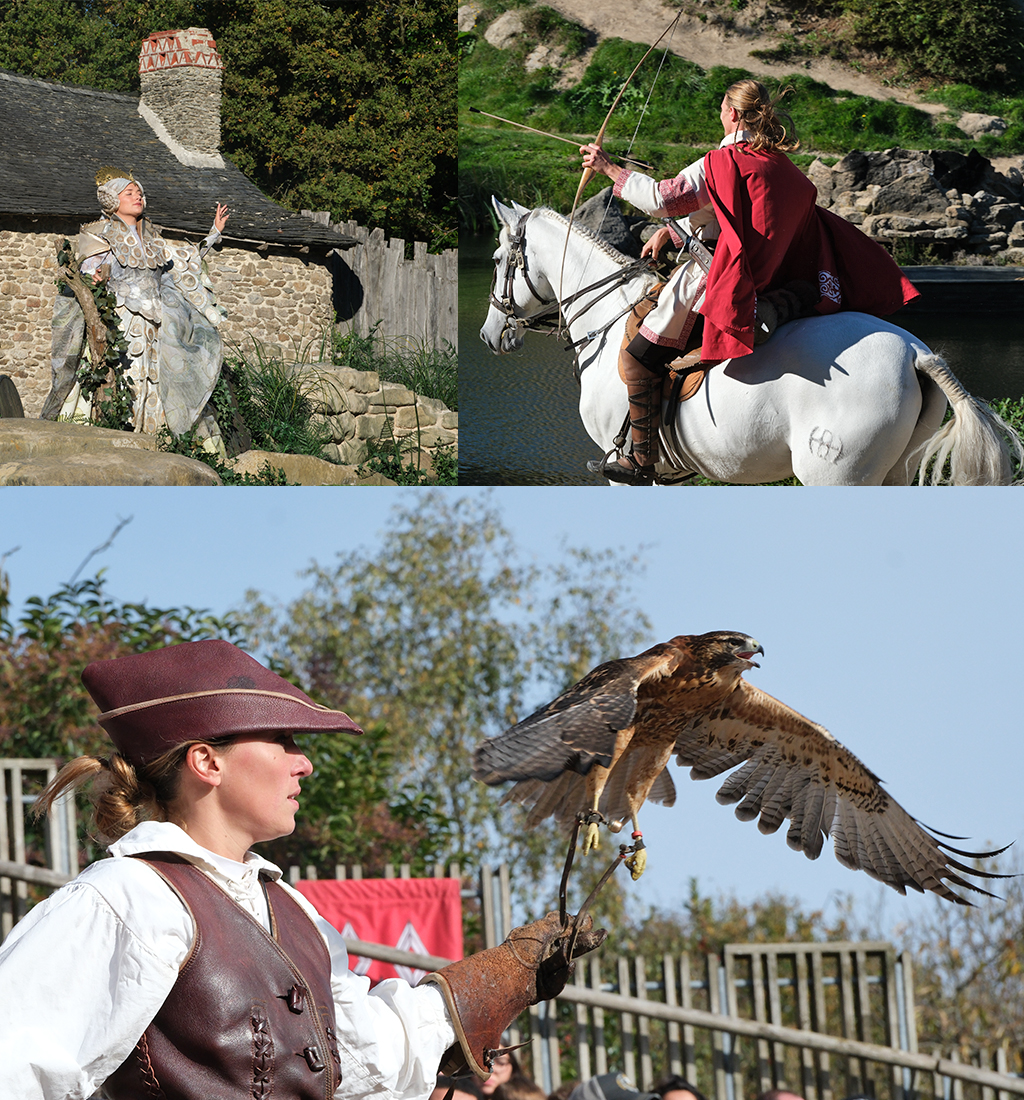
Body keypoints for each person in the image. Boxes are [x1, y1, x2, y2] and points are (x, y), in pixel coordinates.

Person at [0, 638, 604, 1100]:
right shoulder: (126, 898)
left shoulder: (293, 913)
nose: (304, 763)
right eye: (283, 740)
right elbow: (16, 1066)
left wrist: (496, 982)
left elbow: (366, 1056)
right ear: (206, 761)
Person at [577, 79, 918, 484]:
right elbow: (739, 213)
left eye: (722, 110)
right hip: (777, 277)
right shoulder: (782, 167)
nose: (720, 116)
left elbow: (662, 199)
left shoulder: (721, 162)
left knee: (636, 356)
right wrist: (671, 232)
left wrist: (608, 168)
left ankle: (641, 459)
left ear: (734, 114)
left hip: (717, 277)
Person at [43, 168, 230, 448]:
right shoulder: (98, 234)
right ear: (112, 201)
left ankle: (157, 441)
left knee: (157, 379)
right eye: (129, 193)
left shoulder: (154, 239)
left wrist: (213, 234)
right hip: (122, 321)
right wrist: (95, 278)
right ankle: (114, 438)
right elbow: (88, 273)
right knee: (125, 376)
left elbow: (183, 261)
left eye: (139, 192)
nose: (137, 196)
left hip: (156, 324)